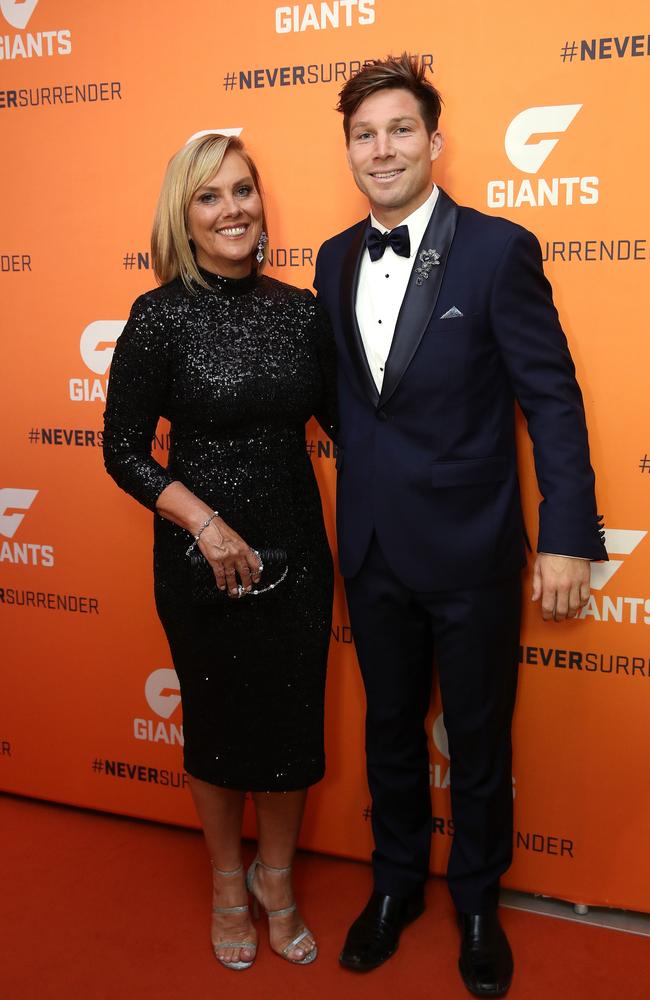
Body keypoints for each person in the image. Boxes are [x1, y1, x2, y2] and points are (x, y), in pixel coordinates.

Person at [314, 54, 606, 996]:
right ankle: (395, 887)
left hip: (474, 549)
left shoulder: (494, 249)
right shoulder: (332, 257)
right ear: (349, 150)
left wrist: (567, 532)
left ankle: (478, 901)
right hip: (369, 544)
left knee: (480, 737)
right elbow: (350, 401)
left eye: (400, 129)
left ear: (434, 143)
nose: (382, 148)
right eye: (365, 133)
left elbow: (552, 401)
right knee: (389, 731)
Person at [103, 133, 336, 972]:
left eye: (243, 190)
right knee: (217, 727)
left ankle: (278, 881)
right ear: (185, 217)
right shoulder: (159, 316)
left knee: (288, 729)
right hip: (202, 564)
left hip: (298, 555)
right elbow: (123, 449)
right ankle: (229, 886)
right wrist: (202, 524)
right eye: (210, 196)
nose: (233, 208)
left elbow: (355, 427)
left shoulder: (302, 310)